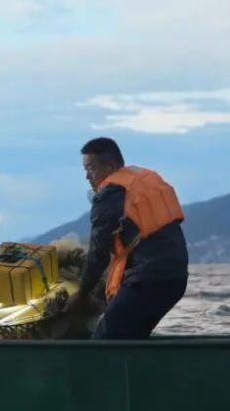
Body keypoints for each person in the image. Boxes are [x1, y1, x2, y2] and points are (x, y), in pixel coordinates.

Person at [64, 138, 188, 339]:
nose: (87, 176)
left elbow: (98, 254)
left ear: (111, 166)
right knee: (132, 337)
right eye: (84, 170)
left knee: (105, 338)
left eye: (91, 168)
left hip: (148, 279)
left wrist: (81, 294)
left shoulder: (109, 194)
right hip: (176, 279)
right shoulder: (140, 180)